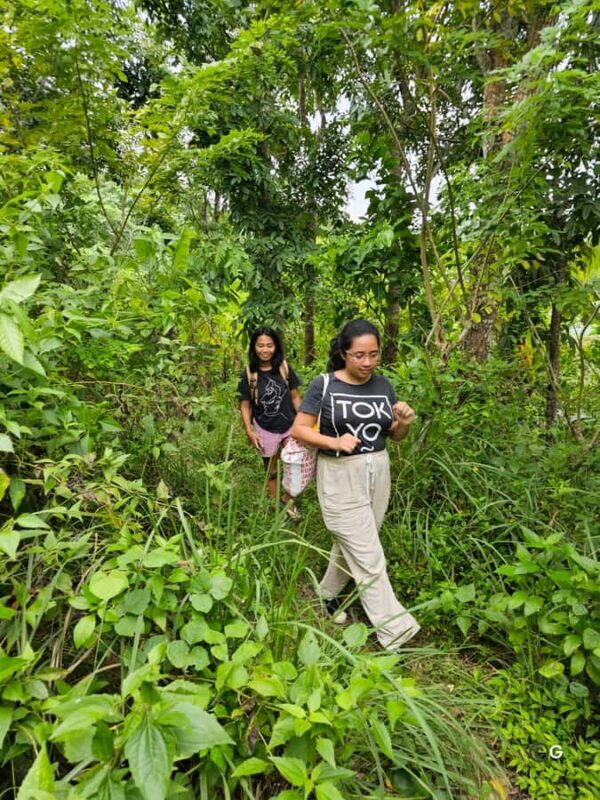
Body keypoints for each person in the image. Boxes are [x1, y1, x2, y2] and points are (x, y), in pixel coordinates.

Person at [290, 319, 420, 650]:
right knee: (369, 555)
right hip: (338, 473)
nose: (367, 363)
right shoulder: (325, 385)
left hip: (378, 470)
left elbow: (394, 436)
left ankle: (326, 595)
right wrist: (334, 442)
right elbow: (299, 430)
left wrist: (403, 422)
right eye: (359, 355)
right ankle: (396, 631)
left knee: (360, 543)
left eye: (373, 355)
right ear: (344, 353)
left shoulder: (383, 386)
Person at [238, 327, 301, 516]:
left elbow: (296, 397)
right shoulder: (249, 374)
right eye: (260, 345)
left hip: (290, 425)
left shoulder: (283, 367)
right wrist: (249, 431)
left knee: (294, 466)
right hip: (265, 428)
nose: (265, 350)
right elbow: (245, 405)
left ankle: (288, 500)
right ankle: (275, 506)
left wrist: (304, 422)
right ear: (254, 347)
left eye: (269, 345)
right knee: (271, 470)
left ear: (275, 346)